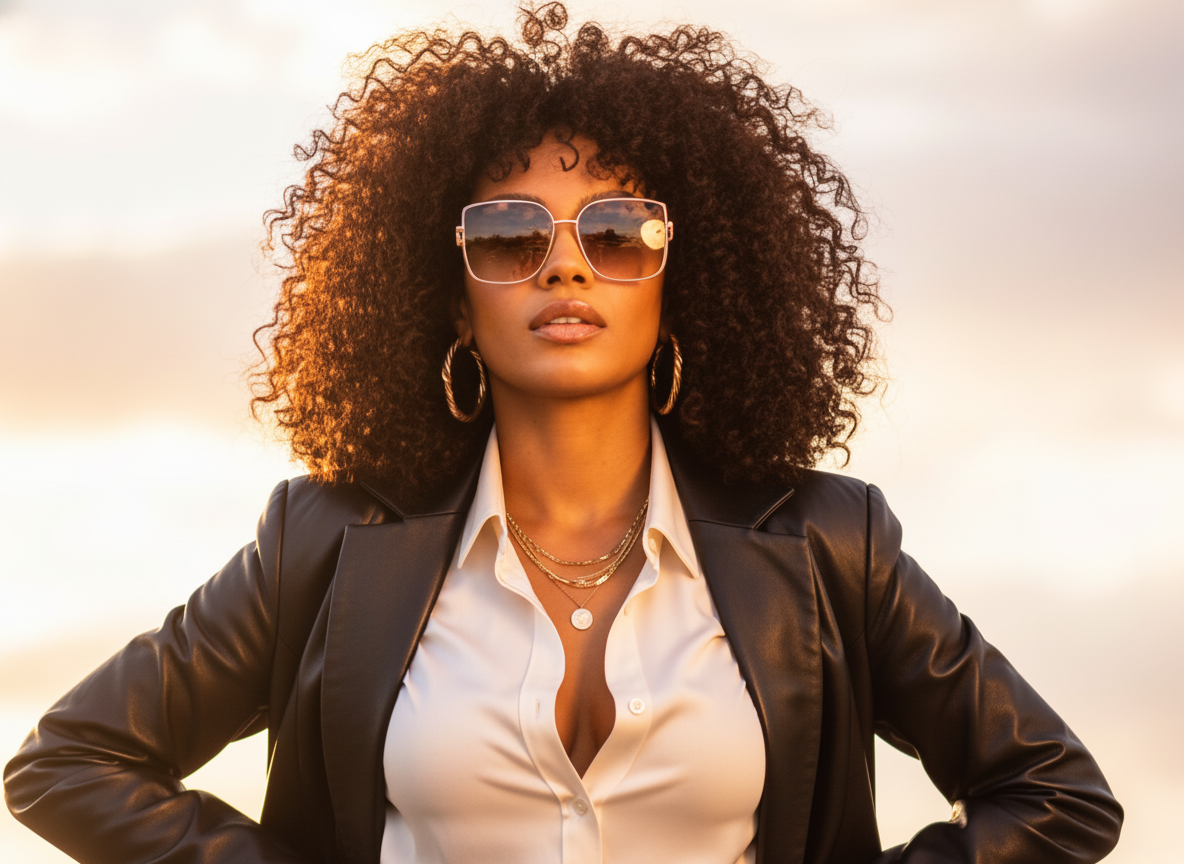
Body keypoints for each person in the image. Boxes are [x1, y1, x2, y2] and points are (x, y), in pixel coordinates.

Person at [3, 4, 1121, 863]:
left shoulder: (829, 542)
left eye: (620, 231)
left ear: (681, 283)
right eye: (505, 233)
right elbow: (69, 762)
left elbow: (1056, 794)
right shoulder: (331, 541)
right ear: (452, 298)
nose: (565, 262)